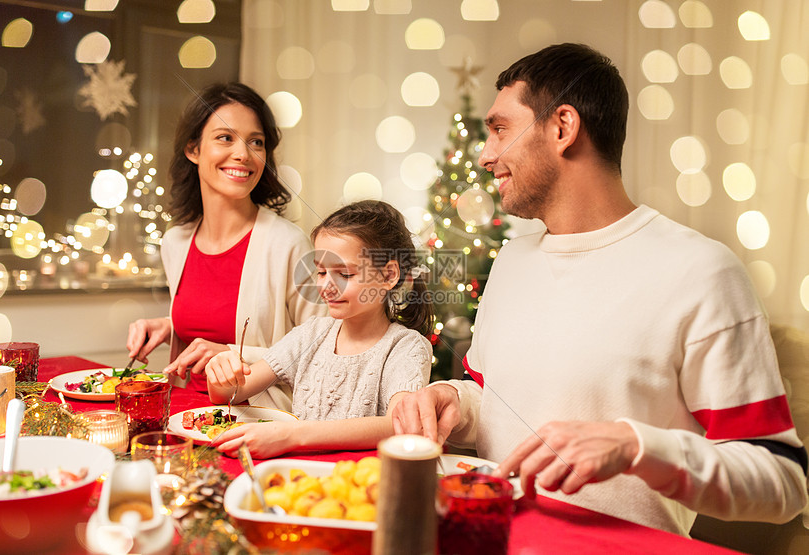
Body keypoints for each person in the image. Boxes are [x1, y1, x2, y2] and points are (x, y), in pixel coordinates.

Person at [391, 43, 808, 535]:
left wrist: (636, 447)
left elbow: (783, 482)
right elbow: (497, 405)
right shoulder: (512, 261)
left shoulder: (702, 272)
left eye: (500, 129)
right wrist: (454, 403)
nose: (486, 155)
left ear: (562, 128)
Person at [126, 82, 326, 409]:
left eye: (256, 142)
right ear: (193, 149)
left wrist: (235, 355)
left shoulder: (289, 244)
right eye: (225, 137)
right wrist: (170, 326)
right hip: (182, 415)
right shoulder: (176, 241)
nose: (243, 154)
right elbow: (214, 318)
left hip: (257, 424)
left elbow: (323, 350)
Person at [206, 200, 434, 459]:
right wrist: (221, 373)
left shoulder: (406, 346)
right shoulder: (310, 335)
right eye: (322, 271)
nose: (326, 286)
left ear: (388, 275)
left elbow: (398, 424)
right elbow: (230, 394)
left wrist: (292, 435)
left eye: (344, 274)